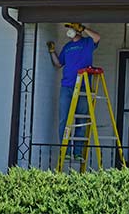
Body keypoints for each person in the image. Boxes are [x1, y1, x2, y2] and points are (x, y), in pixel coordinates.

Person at [47, 23, 100, 159]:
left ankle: (77, 152)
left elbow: (97, 37)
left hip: (83, 86)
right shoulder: (67, 47)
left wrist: (84, 29)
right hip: (67, 87)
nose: (69, 31)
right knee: (64, 120)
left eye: (72, 28)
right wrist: (52, 52)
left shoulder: (87, 43)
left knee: (81, 119)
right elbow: (59, 64)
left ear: (78, 30)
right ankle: (66, 151)